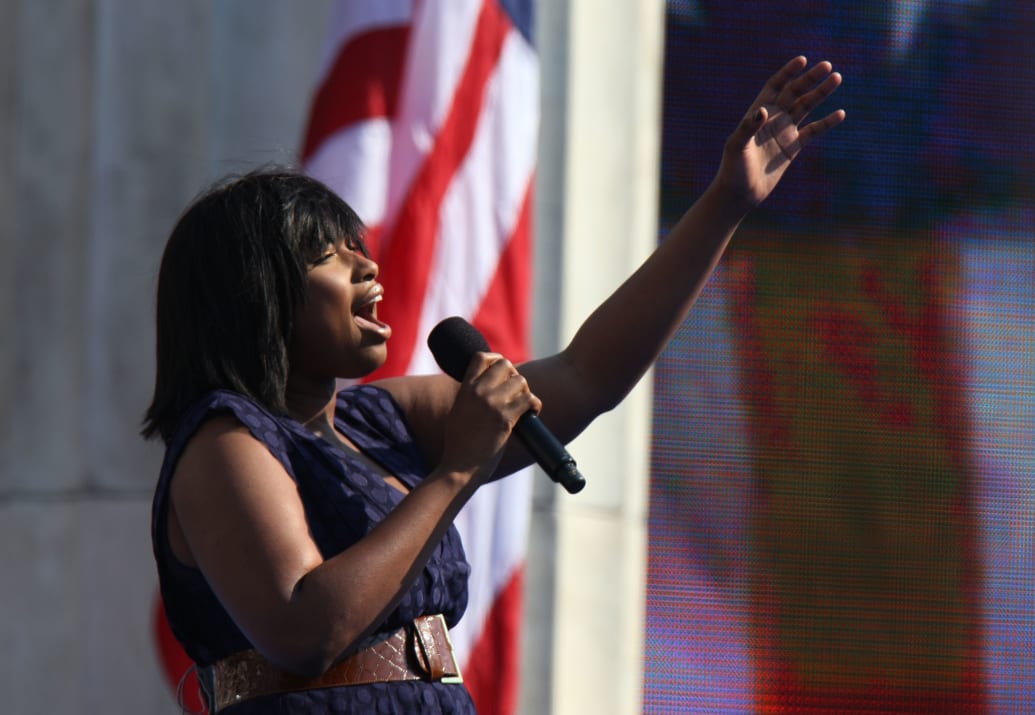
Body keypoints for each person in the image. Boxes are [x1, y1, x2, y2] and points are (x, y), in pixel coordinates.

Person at [144, 56, 845, 714]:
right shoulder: (224, 439)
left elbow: (584, 374)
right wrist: (457, 471)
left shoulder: (376, 419)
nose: (368, 268)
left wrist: (724, 203)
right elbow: (304, 627)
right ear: (258, 296)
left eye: (363, 248)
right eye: (332, 256)